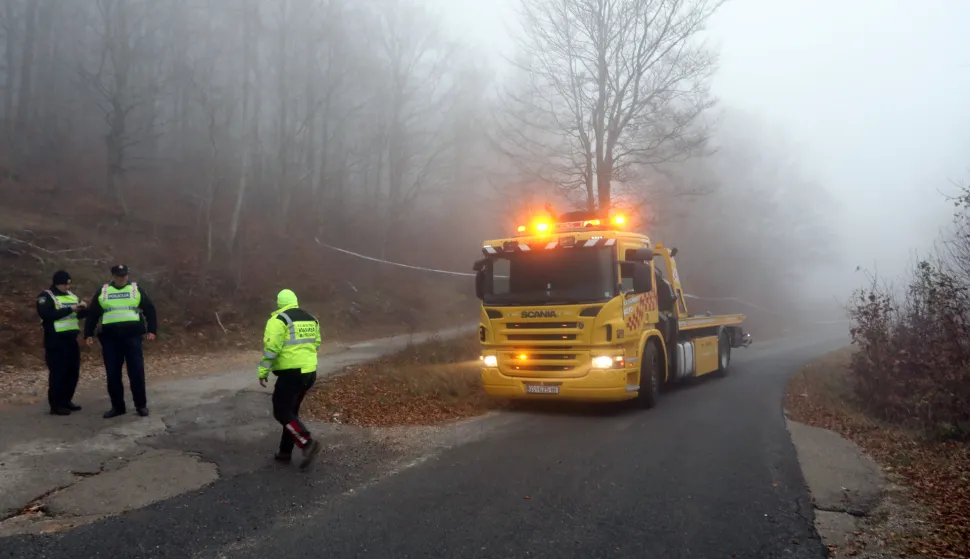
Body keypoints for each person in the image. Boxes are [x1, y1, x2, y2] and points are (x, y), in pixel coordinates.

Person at [258, 288, 323, 469]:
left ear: (279, 303)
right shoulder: (311, 318)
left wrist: (263, 371)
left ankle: (307, 443)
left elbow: (271, 349)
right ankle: (285, 452)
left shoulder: (278, 320)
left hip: (291, 373)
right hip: (309, 372)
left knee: (281, 411)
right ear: (295, 301)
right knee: (291, 412)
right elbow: (316, 343)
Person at [83, 264, 157, 419]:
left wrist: (152, 329)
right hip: (110, 338)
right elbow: (93, 314)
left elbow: (149, 309)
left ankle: (141, 405)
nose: (122, 278)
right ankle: (117, 407)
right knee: (113, 374)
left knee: (136, 372)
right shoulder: (103, 291)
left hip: (132, 337)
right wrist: (88, 333)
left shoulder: (136, 289)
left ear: (128, 275)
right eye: (119, 275)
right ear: (113, 276)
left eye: (124, 275)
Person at [36, 270, 88, 415]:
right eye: (65, 284)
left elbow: (77, 316)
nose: (67, 287)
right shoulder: (46, 296)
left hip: (71, 339)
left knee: (72, 372)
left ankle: (66, 400)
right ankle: (56, 405)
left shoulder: (72, 296)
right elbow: (46, 314)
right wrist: (69, 309)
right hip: (55, 340)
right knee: (58, 373)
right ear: (56, 283)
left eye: (69, 284)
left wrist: (83, 309)